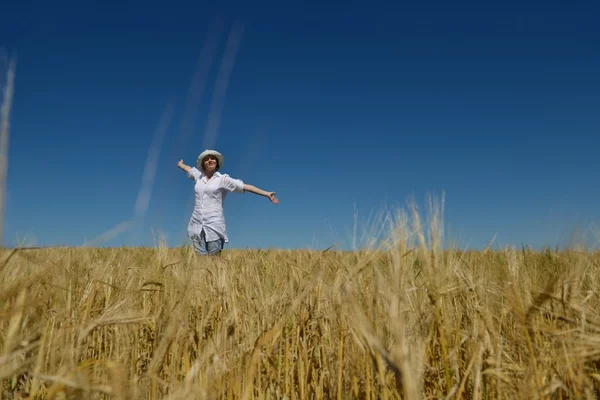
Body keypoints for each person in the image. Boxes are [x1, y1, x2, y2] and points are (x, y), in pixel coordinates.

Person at [177, 149, 279, 256]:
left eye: (212, 158)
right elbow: (189, 169)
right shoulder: (199, 176)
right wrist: (180, 164)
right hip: (196, 224)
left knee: (214, 261)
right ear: (203, 164)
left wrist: (266, 193)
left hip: (214, 225)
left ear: (217, 163)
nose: (210, 160)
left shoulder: (223, 179)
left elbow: (245, 186)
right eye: (206, 159)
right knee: (197, 260)